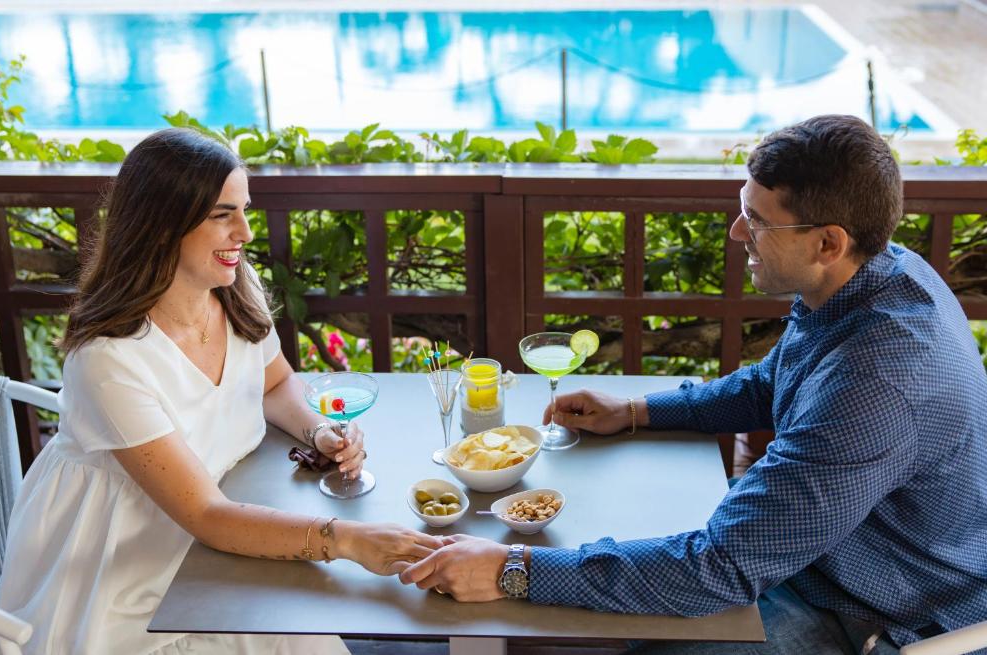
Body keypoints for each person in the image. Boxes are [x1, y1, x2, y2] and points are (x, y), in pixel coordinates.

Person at [400, 115, 987, 654]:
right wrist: (636, 410)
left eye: (757, 220)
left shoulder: (878, 384)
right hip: (820, 553)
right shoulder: (880, 272)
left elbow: (720, 570)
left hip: (879, 609)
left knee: (636, 631)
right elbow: (771, 382)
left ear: (828, 243)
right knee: (618, 559)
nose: (737, 232)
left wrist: (511, 568)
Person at [0, 128, 442, 655]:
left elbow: (276, 381)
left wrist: (320, 431)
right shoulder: (108, 359)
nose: (243, 232)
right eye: (222, 215)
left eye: (244, 210)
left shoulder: (235, 284)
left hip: (227, 522)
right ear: (160, 225)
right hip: (127, 571)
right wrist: (347, 540)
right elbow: (205, 516)